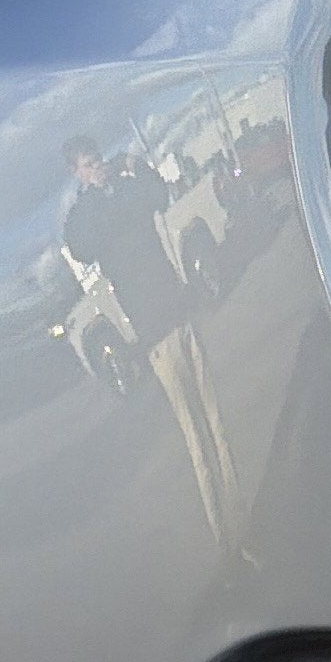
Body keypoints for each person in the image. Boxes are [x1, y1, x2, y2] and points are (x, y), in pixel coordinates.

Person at [64, 136, 239, 544]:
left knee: (216, 421)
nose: (98, 167)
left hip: (179, 315)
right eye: (88, 165)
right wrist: (90, 194)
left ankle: (241, 522)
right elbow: (81, 246)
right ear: (76, 173)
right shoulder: (87, 216)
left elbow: (158, 195)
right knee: (195, 435)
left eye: (98, 159)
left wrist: (135, 164)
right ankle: (225, 537)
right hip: (155, 336)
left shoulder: (127, 190)